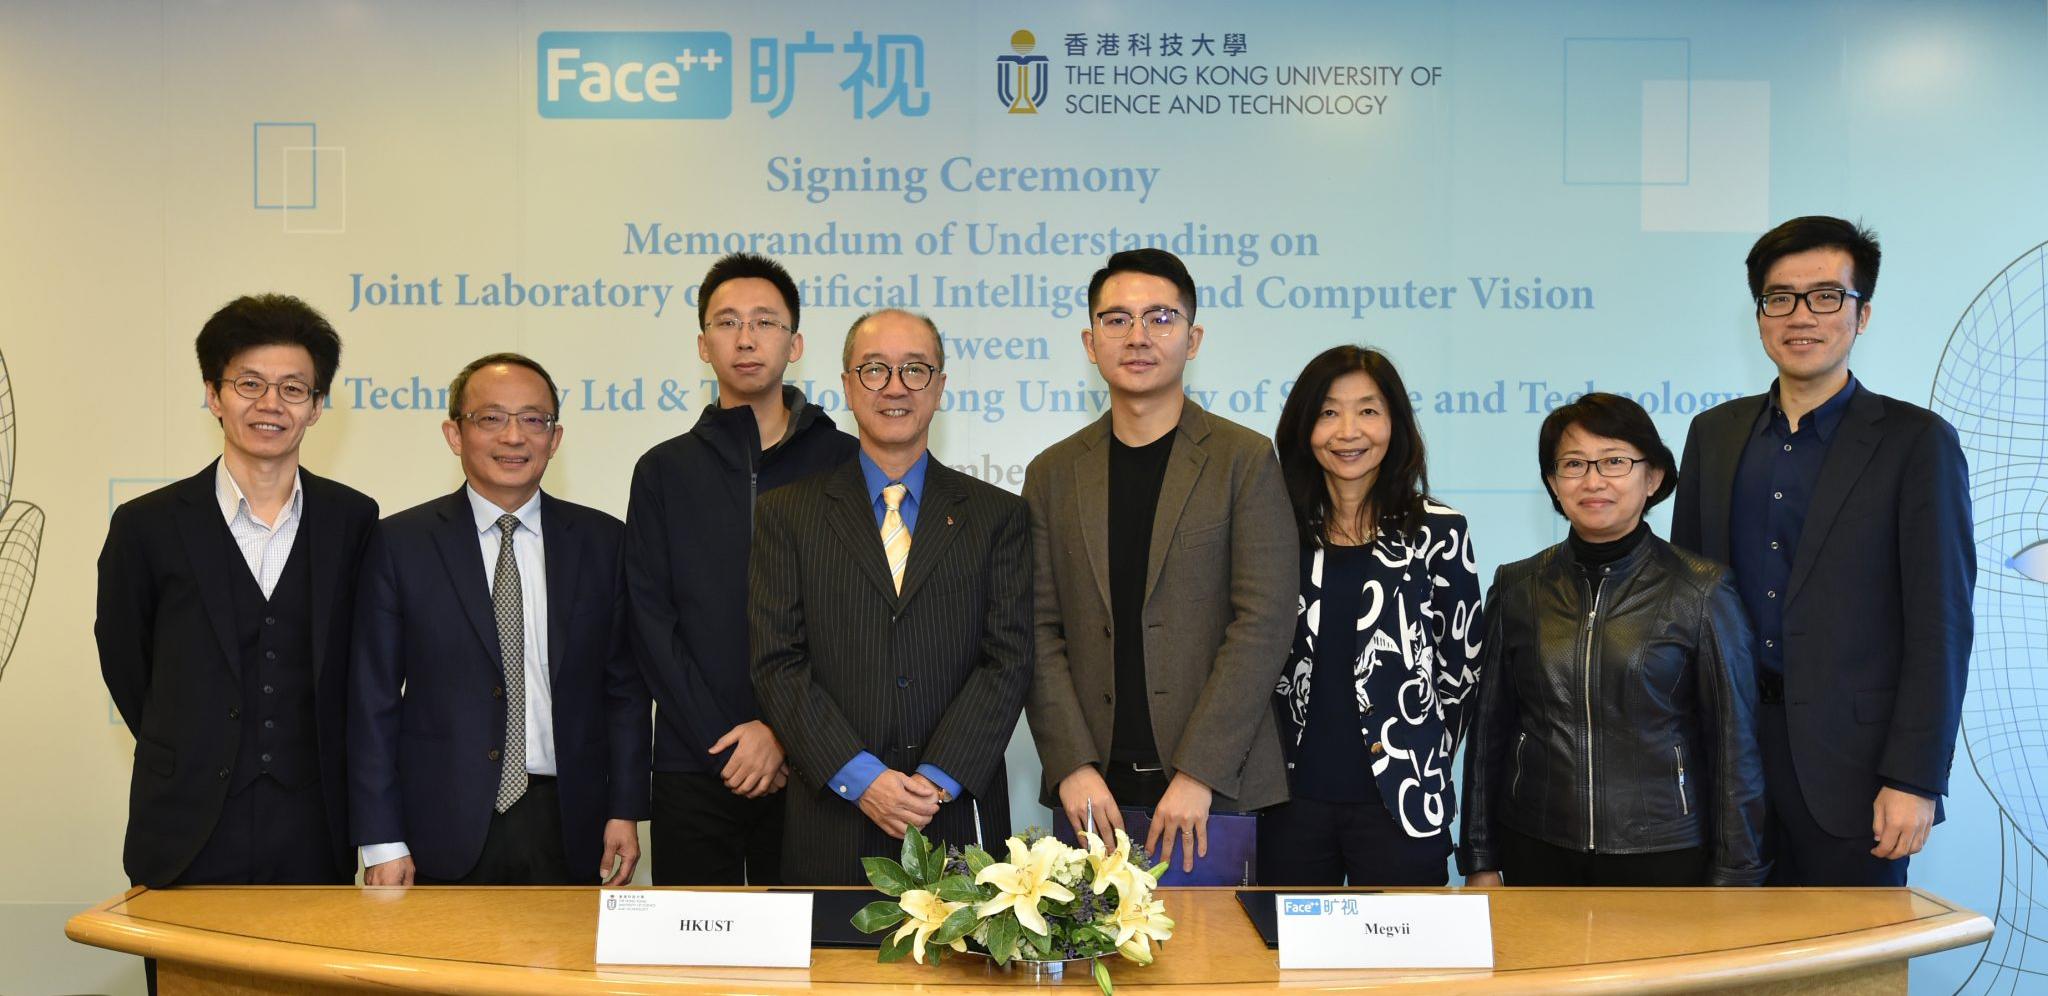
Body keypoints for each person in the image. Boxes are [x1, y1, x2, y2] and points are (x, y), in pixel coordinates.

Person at [1671, 216, 1973, 886]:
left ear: (1861, 315)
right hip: (1727, 765)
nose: (1801, 315)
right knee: (1725, 976)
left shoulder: (1916, 442)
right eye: (1780, 298)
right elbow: (1681, 610)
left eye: (1826, 296)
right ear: (1760, 315)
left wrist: (1914, 779)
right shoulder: (1713, 436)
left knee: (1847, 981)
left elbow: (1940, 624)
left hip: (1858, 774)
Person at [1023, 248, 1295, 874]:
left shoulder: (1243, 460)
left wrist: (1200, 771)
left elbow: (1263, 623)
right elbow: (1037, 632)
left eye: (1160, 318)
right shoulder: (1052, 474)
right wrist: (1071, 765)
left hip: (1212, 793)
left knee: (1212, 969)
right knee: (1093, 967)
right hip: (1092, 799)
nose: (1138, 336)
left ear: (1193, 338)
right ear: (1090, 343)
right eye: (1116, 320)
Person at [97, 294, 377, 890]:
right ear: (213, 394)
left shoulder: (353, 520)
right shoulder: (146, 524)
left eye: (293, 388)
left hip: (314, 827)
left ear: (318, 406)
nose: (270, 404)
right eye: (249, 383)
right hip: (184, 826)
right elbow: (126, 658)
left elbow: (364, 666)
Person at [749, 309, 1032, 885]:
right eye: (875, 370)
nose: (895, 387)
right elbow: (778, 662)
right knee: (832, 973)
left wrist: (936, 779)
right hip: (831, 815)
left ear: (941, 386)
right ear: (849, 385)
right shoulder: (787, 514)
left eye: (915, 370)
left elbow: (1008, 658)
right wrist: (863, 779)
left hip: (954, 818)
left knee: (960, 976)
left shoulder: (998, 516)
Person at [350, 353, 649, 886]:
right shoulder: (401, 544)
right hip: (438, 825)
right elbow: (371, 702)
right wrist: (381, 840)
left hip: (570, 821)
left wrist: (624, 807)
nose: (514, 437)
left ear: (555, 439)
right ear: (454, 433)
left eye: (534, 420)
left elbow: (623, 690)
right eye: (491, 418)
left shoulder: (605, 543)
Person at [1459, 393, 1766, 887]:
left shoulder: (1701, 590)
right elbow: (1489, 733)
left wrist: (1737, 876)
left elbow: (1735, 749)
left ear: (1653, 478)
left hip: (1664, 851)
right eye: (1574, 464)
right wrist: (1479, 858)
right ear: (1554, 484)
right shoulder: (1519, 587)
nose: (1593, 480)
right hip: (1536, 846)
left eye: (1615, 461)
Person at [625, 253, 858, 885]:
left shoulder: (846, 464)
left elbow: (855, 622)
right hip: (696, 762)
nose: (746, 338)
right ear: (703, 345)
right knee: (694, 966)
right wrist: (727, 739)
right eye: (727, 323)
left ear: (796, 342)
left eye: (765, 322)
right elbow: (651, 622)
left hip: (818, 764)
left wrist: (784, 734)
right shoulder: (663, 471)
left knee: (818, 960)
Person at [1264, 346, 1482, 886]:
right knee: (1283, 966)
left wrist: (1420, 753)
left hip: (1402, 801)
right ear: (1303, 427)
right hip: (1286, 804)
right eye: (1328, 412)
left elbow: (1462, 670)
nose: (1348, 431)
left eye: (1368, 410)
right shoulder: (1271, 531)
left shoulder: (1440, 532)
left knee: (1404, 969)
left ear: (1395, 424)